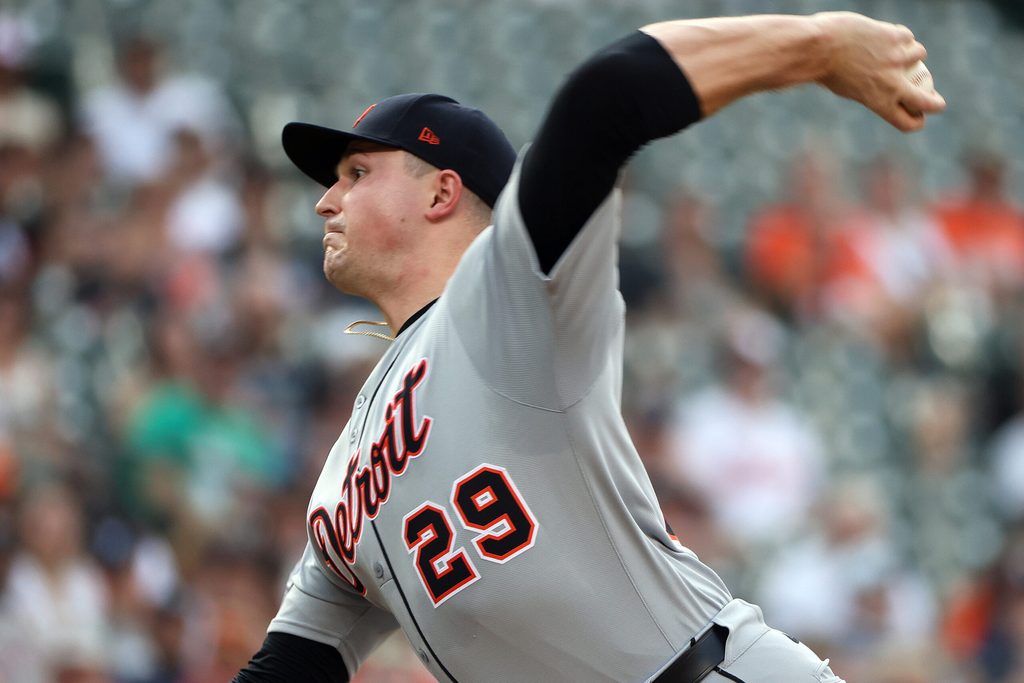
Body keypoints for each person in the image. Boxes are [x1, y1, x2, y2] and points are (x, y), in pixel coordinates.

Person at [234, 12, 944, 682]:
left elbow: (606, 97)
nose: (326, 200)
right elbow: (290, 670)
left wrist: (820, 45)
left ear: (442, 192)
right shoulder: (344, 475)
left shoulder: (507, 297)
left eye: (356, 173)